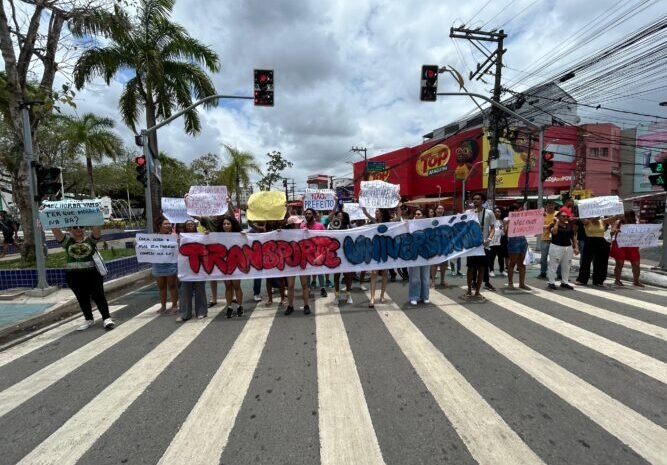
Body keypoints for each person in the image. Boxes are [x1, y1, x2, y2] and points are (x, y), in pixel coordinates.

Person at [51, 224, 114, 330]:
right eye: (75, 227)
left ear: (85, 228)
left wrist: (95, 217)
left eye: (81, 226)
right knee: (82, 298)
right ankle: (88, 319)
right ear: (70, 229)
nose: (78, 229)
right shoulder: (67, 241)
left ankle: (106, 318)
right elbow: (56, 231)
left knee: (99, 296)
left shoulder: (90, 240)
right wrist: (50, 218)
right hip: (73, 275)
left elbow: (97, 231)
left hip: (92, 274)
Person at [464, 192, 495, 300]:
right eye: (474, 199)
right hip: (472, 245)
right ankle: (468, 290)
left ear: (483, 201)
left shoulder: (489, 213)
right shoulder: (468, 212)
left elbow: (492, 228)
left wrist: (489, 238)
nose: (476, 201)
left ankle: (477, 291)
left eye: (478, 199)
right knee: (471, 268)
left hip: (484, 245)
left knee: (482, 268)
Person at [362, 207, 393, 307]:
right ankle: (372, 298)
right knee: (374, 273)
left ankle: (382, 295)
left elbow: (399, 217)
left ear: (382, 213)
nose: (375, 213)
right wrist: (362, 201)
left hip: (385, 251)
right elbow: (365, 212)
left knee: (384, 273)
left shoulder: (389, 223)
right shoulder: (374, 222)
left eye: (377, 211)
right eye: (375, 211)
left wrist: (398, 204)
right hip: (375, 251)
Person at [282, 215, 313, 315]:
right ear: (292, 225)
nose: (300, 224)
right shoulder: (284, 235)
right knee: (290, 286)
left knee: (305, 285)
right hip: (290, 263)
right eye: (297, 223)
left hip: (302, 262)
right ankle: (290, 306)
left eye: (299, 223)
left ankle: (306, 305)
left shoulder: (304, 232)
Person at [177, 220, 207, 321]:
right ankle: (185, 314)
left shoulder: (202, 236)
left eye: (192, 224)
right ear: (185, 227)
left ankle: (201, 311)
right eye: (188, 225)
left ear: (195, 226)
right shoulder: (180, 238)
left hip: (200, 268)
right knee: (184, 291)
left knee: (200, 291)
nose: (190, 226)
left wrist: (208, 235)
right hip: (185, 269)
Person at [576, 215, 617, 287]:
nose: (597, 216)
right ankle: (582, 280)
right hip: (590, 241)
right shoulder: (587, 222)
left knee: (600, 262)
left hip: (601, 241)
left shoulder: (602, 221)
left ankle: (598, 280)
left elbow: (612, 219)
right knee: (586, 261)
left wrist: (617, 215)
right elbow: (581, 218)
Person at [547, 208, 579, 290]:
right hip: (556, 247)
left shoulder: (568, 225)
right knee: (554, 265)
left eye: (567, 216)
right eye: (563, 216)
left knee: (567, 265)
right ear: (558, 217)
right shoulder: (553, 224)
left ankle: (564, 282)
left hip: (567, 247)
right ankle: (551, 282)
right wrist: (557, 222)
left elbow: (573, 237)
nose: (566, 218)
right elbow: (554, 232)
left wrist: (575, 247)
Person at [610, 211, 644, 287]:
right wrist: (615, 231)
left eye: (627, 216)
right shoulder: (618, 222)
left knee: (636, 264)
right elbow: (611, 232)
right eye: (625, 216)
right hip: (620, 244)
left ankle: (636, 281)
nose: (625, 218)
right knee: (620, 263)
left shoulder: (636, 223)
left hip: (632, 245)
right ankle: (617, 280)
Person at [220, 215, 244, 318]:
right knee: (228, 286)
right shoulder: (217, 236)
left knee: (236, 286)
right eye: (224, 224)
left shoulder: (238, 235)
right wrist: (207, 235)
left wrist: (244, 235)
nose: (226, 226)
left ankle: (239, 306)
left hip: (236, 264)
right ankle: (229, 307)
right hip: (224, 265)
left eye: (228, 224)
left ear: (232, 225)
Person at [152, 217, 178, 313]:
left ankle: (174, 305)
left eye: (169, 224)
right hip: (158, 265)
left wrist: (176, 238)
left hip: (170, 264)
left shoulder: (174, 236)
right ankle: (163, 306)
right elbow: (145, 246)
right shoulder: (153, 237)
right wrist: (137, 243)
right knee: (161, 287)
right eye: (166, 224)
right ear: (160, 226)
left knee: (172, 285)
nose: (168, 225)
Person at [301, 208, 328, 298]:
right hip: (307, 253)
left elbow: (326, 237)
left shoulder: (320, 226)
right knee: (308, 271)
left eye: (309, 213)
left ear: (313, 215)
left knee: (320, 271)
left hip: (318, 252)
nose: (307, 215)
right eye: (306, 214)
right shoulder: (302, 226)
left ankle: (322, 288)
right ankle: (307, 289)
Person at [329, 208, 354, 304]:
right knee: (336, 276)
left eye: (340, 216)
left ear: (344, 218)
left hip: (347, 254)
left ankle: (348, 294)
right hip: (337, 254)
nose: (339, 217)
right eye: (337, 216)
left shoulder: (349, 227)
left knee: (348, 276)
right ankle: (337, 295)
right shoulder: (332, 226)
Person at [408, 209, 430, 305]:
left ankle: (425, 296)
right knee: (415, 277)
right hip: (414, 255)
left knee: (425, 277)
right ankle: (414, 296)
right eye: (416, 214)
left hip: (426, 254)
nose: (417, 215)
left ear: (423, 215)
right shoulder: (409, 224)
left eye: (419, 214)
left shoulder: (428, 224)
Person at [504, 209, 530, 290]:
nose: (520, 212)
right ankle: (510, 283)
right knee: (512, 263)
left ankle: (522, 283)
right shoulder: (506, 219)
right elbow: (506, 233)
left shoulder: (523, 219)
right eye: (518, 210)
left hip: (523, 240)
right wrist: (508, 224)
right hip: (513, 241)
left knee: (522, 264)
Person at [537, 200, 557, 279]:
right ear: (546, 206)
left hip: (556, 239)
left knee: (556, 258)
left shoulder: (558, 214)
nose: (550, 207)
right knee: (543, 258)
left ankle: (559, 274)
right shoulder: (542, 215)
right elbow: (538, 225)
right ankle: (543, 272)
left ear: (554, 206)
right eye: (548, 205)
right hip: (545, 238)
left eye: (551, 205)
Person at [431, 204, 448, 287]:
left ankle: (442, 280)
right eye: (439, 208)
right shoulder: (431, 220)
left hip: (444, 245)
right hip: (434, 245)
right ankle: (433, 281)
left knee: (443, 264)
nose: (440, 210)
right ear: (435, 210)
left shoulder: (447, 220)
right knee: (434, 264)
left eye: (442, 208)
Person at [488, 206, 505, 277]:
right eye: (496, 212)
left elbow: (503, 233)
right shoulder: (490, 221)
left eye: (499, 212)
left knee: (501, 257)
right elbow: (489, 231)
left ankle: (502, 270)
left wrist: (502, 229)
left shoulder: (502, 221)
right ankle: (491, 270)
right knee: (492, 257)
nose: (497, 213)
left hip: (500, 242)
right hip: (492, 242)